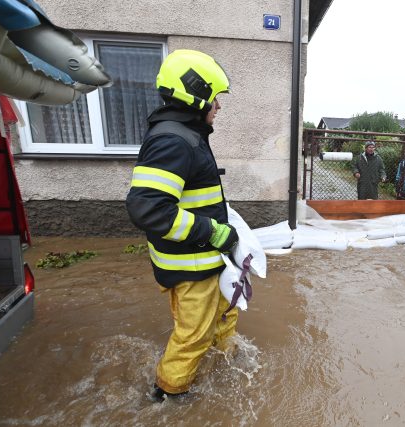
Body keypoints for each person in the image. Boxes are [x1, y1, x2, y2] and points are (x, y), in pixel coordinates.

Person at [125, 49, 239, 401]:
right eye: (215, 100)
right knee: (192, 337)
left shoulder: (186, 136)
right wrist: (212, 231)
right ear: (196, 95)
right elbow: (147, 207)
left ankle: (225, 365)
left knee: (224, 317)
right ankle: (169, 396)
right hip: (191, 267)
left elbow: (190, 195)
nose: (218, 108)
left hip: (207, 263)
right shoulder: (173, 140)